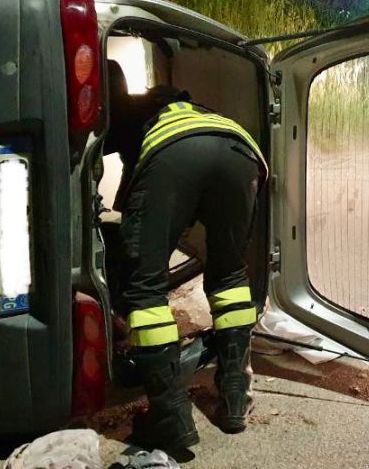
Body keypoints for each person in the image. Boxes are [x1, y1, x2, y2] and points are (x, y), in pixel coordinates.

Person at [105, 83, 267, 451]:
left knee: (145, 289)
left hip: (174, 154)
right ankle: (235, 398)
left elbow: (126, 184)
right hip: (240, 151)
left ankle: (169, 418)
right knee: (230, 275)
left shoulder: (130, 112)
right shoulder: (196, 108)